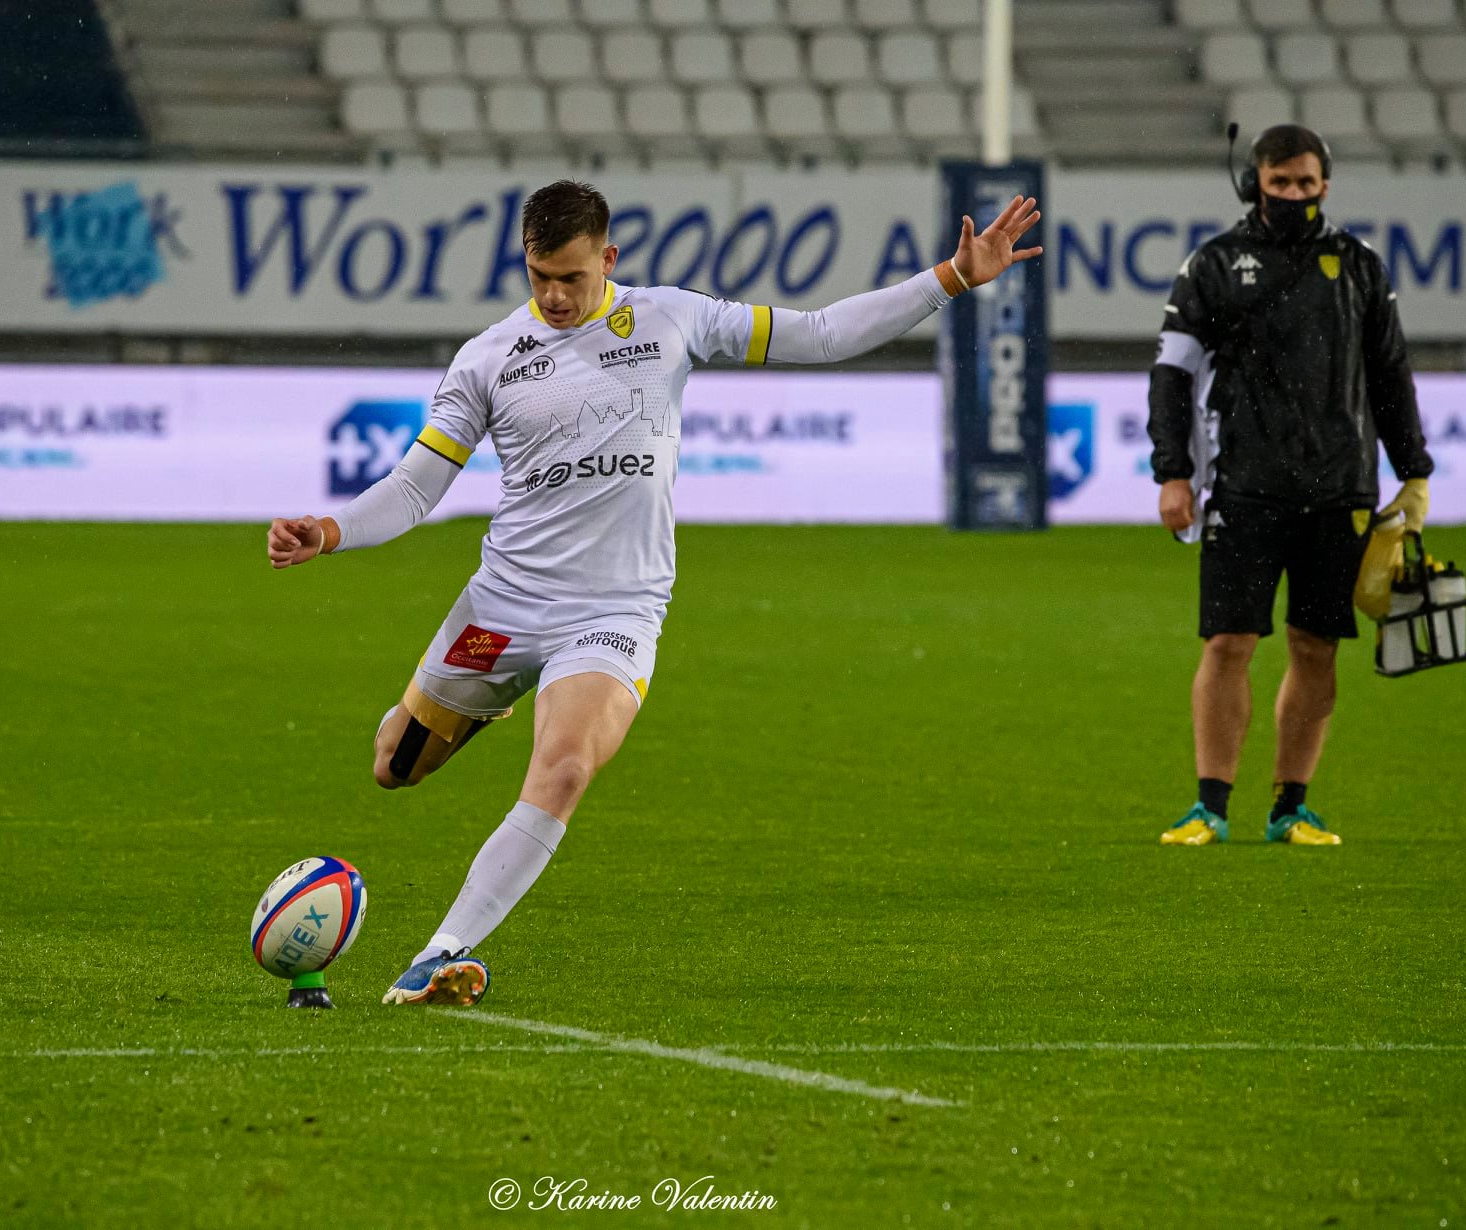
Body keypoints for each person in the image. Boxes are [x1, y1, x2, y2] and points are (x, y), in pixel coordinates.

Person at [269, 180, 1042, 1004]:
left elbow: (818, 336)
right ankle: (476, 706)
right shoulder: (487, 359)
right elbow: (417, 487)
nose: (556, 295)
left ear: (608, 258)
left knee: (563, 768)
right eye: (540, 278)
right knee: (395, 766)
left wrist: (951, 278)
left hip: (613, 613)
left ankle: (440, 953)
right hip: (503, 606)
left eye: (572, 276)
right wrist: (332, 530)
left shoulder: (672, 319)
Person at [1147, 124, 1433, 848]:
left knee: (1316, 647)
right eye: (1282, 185)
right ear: (1256, 185)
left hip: (1341, 490)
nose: (1296, 196)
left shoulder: (1360, 266)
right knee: (1228, 644)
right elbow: (1171, 374)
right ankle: (1209, 806)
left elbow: (1391, 374)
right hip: (1244, 486)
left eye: (1307, 184)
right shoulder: (1212, 265)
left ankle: (1290, 807)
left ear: (1326, 185)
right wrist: (1171, 471)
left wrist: (1416, 472)